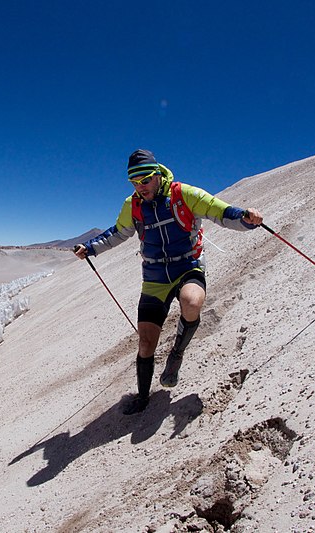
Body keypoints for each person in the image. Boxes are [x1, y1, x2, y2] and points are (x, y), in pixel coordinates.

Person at [73, 149, 263, 415]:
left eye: (146, 179)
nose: (141, 186)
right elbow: (117, 233)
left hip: (188, 265)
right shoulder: (133, 205)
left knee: (192, 301)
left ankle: (177, 353)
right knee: (146, 343)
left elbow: (220, 211)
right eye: (134, 182)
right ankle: (142, 397)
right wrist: (90, 248)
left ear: (158, 174)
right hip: (154, 276)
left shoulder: (184, 194)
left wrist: (246, 218)